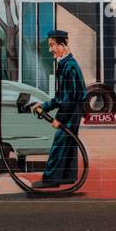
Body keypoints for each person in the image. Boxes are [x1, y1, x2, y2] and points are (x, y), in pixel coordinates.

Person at [32, 29, 87, 189]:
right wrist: (43, 106)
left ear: (62, 44)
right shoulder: (66, 64)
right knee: (68, 143)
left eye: (52, 45)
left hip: (71, 110)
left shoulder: (69, 66)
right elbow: (61, 97)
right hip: (73, 109)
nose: (50, 49)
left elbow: (68, 98)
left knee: (60, 142)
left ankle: (51, 179)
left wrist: (60, 120)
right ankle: (67, 177)